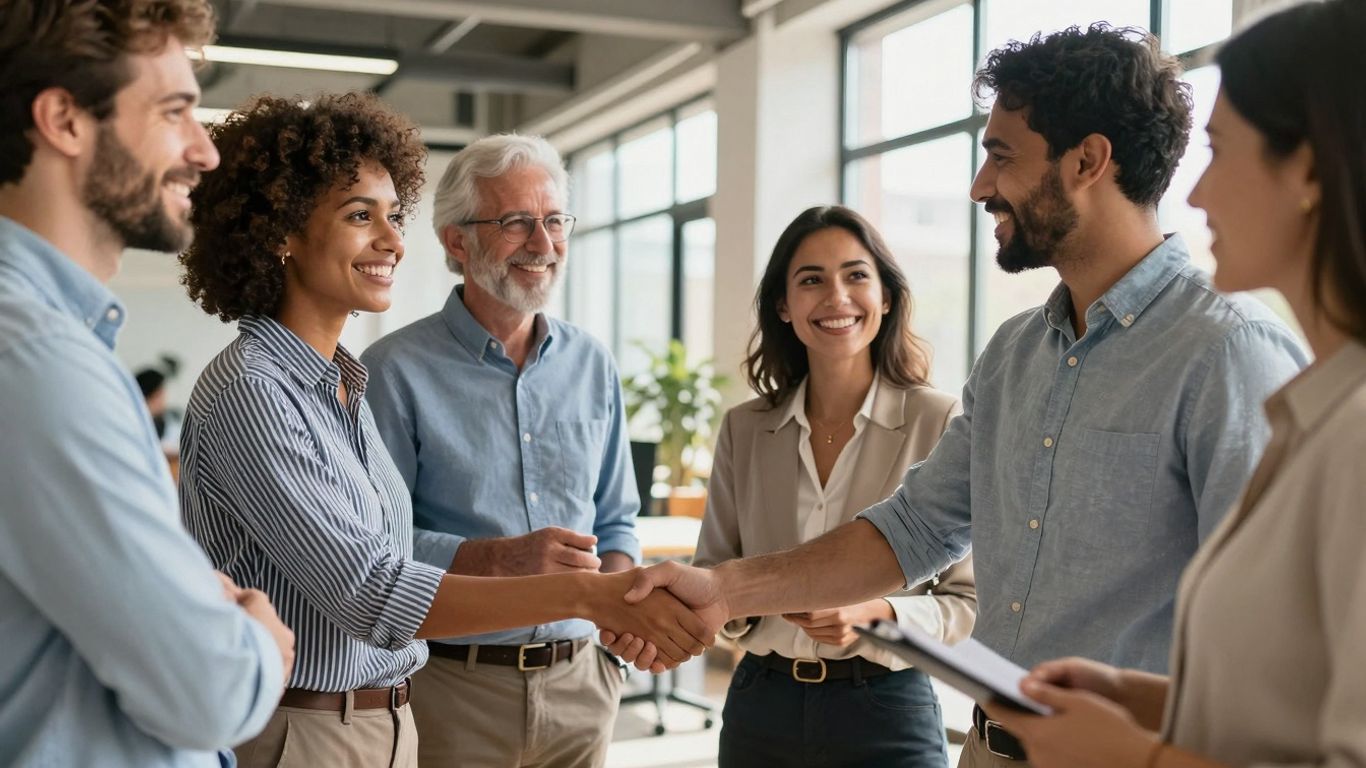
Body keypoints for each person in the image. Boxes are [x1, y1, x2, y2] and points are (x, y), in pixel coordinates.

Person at [607, 24, 1309, 768]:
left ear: (1088, 160)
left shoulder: (1228, 352)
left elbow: (1284, 637)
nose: (979, 186)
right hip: (988, 749)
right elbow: (909, 532)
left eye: (1000, 155)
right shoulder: (1014, 354)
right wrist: (719, 588)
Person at [177, 93, 709, 768]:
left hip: (388, 721)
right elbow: (370, 590)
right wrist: (585, 592)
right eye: (359, 215)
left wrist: (609, 600)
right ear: (282, 232)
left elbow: (392, 549)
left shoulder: (339, 386)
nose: (394, 240)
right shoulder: (255, 391)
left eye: (394, 216)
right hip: (309, 728)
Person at [980, 3, 1366, 766]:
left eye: (1221, 152)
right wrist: (1147, 699)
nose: (1196, 195)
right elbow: (1299, 686)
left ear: (1312, 170)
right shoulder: (1314, 414)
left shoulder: (1334, 423)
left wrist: (1134, 755)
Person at [0, 1, 294, 766]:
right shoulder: (35, 359)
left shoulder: (53, 344)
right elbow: (213, 691)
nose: (206, 151)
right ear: (64, 120)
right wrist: (255, 637)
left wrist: (194, 605)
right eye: (174, 112)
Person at [360, 133, 639, 768]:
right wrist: (501, 559)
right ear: (458, 242)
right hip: (452, 688)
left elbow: (617, 519)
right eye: (516, 223)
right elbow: (376, 548)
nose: (543, 245)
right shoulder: (392, 372)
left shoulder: (592, 363)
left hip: (582, 686)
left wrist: (617, 633)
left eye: (553, 222)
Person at [699, 205, 979, 766]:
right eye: (811, 280)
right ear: (783, 305)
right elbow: (715, 571)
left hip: (886, 707)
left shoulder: (941, 420)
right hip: (762, 706)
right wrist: (741, 606)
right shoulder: (745, 428)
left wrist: (878, 613)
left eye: (856, 275)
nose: (836, 297)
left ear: (887, 297)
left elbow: (970, 603)